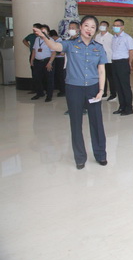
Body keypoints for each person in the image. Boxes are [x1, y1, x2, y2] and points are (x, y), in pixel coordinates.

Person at [33, 15, 108, 170]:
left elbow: (101, 70)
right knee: (76, 123)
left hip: (93, 88)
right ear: (80, 27)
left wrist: (101, 90)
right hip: (74, 88)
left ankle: (101, 154)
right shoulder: (70, 44)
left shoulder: (99, 47)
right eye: (86, 25)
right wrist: (44, 36)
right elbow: (55, 46)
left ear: (95, 30)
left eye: (93, 27)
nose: (89, 29)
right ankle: (80, 158)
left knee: (97, 122)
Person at [111, 19, 133, 116]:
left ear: (122, 27)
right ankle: (122, 106)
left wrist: (129, 63)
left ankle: (129, 108)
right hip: (114, 63)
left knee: (125, 86)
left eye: (118, 25)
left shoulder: (127, 38)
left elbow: (131, 51)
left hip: (123, 63)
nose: (115, 27)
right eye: (114, 25)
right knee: (118, 86)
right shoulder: (113, 38)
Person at [30, 24, 56, 102]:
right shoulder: (37, 39)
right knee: (37, 78)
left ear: (48, 32)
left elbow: (54, 53)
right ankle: (39, 93)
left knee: (49, 79)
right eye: (41, 30)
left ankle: (49, 95)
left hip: (47, 61)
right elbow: (34, 50)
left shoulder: (50, 40)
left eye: (44, 31)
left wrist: (50, 62)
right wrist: (32, 60)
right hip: (37, 61)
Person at [95, 20, 117, 101]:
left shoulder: (111, 37)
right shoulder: (97, 36)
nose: (102, 26)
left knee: (111, 78)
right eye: (101, 25)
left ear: (107, 27)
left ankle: (113, 94)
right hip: (99, 60)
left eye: (104, 25)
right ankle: (103, 93)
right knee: (101, 77)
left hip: (109, 60)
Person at [23, 22, 42, 93]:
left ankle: (43, 88)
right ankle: (35, 89)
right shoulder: (31, 36)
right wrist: (29, 46)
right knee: (34, 72)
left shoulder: (42, 36)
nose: (33, 30)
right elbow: (24, 40)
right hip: (33, 55)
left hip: (42, 56)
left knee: (42, 72)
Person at [50, 30, 66, 98]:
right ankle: (60, 88)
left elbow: (62, 52)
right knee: (57, 75)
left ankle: (63, 90)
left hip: (60, 59)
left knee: (61, 75)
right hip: (55, 59)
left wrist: (55, 52)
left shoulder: (61, 41)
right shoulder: (54, 41)